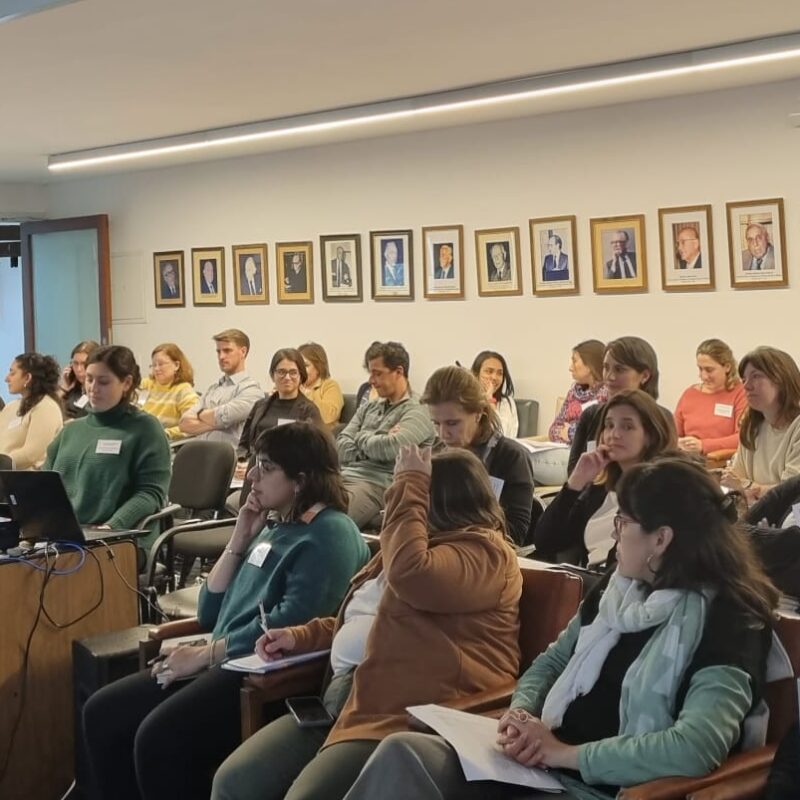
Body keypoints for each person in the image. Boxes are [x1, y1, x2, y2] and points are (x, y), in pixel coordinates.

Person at [346, 457, 777, 800]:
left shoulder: (732, 619)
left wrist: (567, 755)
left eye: (623, 522)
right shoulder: (618, 589)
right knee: (404, 753)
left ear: (661, 539)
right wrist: (523, 712)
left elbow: (695, 747)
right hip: (540, 765)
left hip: (602, 785)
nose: (614, 532)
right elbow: (554, 659)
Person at [210, 444, 523, 800]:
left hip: (401, 715)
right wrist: (302, 637)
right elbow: (374, 618)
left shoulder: (487, 554)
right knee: (234, 782)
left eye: (408, 491)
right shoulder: (412, 545)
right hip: (344, 702)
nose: (393, 502)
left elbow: (411, 577)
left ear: (437, 500)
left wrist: (411, 481)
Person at [82, 422, 371, 800]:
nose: (251, 476)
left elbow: (288, 627)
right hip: (222, 656)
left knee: (158, 739)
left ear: (300, 481)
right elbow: (210, 609)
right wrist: (239, 537)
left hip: (259, 674)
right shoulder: (274, 525)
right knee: (102, 712)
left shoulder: (331, 534)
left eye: (266, 468)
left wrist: (204, 654)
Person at [534, 390, 676, 568]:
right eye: (609, 425)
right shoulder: (600, 489)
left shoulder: (659, 492)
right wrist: (575, 483)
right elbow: (545, 542)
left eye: (627, 427)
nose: (614, 434)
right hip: (590, 583)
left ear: (650, 436)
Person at [43, 346, 170, 541]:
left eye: (103, 382)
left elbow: (150, 493)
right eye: (89, 379)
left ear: (126, 383)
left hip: (122, 539)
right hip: (65, 536)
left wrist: (112, 526)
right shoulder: (70, 431)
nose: (93, 388)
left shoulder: (145, 429)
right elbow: (44, 484)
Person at [422, 366, 534, 545]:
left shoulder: (511, 457)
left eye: (452, 423)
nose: (443, 434)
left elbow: (515, 534)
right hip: (437, 551)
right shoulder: (434, 454)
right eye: (436, 423)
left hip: (484, 555)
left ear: (478, 414)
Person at [337, 341, 435, 527]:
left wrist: (361, 436)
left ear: (399, 372)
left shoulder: (420, 409)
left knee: (330, 521)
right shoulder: (370, 406)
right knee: (294, 503)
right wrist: (377, 438)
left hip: (377, 484)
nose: (371, 381)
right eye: (370, 373)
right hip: (343, 476)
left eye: (378, 373)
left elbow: (390, 448)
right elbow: (341, 444)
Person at [568, 336, 673, 474]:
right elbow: (573, 472)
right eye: (606, 368)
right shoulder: (592, 414)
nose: (610, 377)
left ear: (645, 376)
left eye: (619, 370)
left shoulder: (661, 418)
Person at [236, 349, 322, 500]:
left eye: (293, 372)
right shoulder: (260, 406)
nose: (287, 377)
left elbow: (315, 453)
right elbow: (244, 443)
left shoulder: (309, 411)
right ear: (272, 375)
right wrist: (242, 462)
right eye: (281, 372)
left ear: (301, 375)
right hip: (256, 471)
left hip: (287, 479)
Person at [722, 346, 800, 504]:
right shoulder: (752, 426)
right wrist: (751, 488)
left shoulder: (797, 427)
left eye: (756, 376)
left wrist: (746, 485)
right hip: (756, 515)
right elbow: (734, 478)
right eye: (744, 379)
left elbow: (790, 493)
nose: (746, 386)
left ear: (781, 379)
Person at [532, 340, 607, 486]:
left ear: (590, 365)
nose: (570, 367)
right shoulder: (574, 392)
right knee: (518, 462)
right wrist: (570, 434)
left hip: (581, 459)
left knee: (518, 460)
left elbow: (595, 435)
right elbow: (554, 429)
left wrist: (571, 432)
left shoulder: (607, 394)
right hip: (560, 450)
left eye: (574, 361)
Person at [179, 329, 263, 446]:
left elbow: (222, 418)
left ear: (243, 352)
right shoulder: (213, 388)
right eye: (218, 352)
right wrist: (216, 423)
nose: (221, 356)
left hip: (230, 460)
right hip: (202, 456)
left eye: (227, 351)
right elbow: (184, 424)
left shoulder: (252, 390)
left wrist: (199, 414)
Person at [675, 339, 747, 456]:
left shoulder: (741, 393)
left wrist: (703, 445)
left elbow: (743, 438)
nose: (703, 376)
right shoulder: (690, 394)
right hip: (688, 459)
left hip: (720, 462)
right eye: (700, 369)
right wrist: (679, 443)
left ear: (727, 367)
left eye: (709, 370)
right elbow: (673, 433)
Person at [0, 353, 63, 469]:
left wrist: (4, 463)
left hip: (27, 480)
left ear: (28, 378)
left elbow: (31, 455)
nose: (6, 378)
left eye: (12, 373)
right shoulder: (10, 407)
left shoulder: (47, 407)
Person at [139, 343, 200, 441]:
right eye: (153, 365)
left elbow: (193, 425)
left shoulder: (184, 390)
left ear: (176, 365)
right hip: (141, 437)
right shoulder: (146, 384)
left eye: (161, 364)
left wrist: (166, 434)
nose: (156, 369)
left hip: (164, 442)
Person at [471, 350, 518, 437]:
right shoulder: (466, 401)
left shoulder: (507, 403)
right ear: (476, 374)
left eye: (499, 373)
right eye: (489, 371)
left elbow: (502, 436)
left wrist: (490, 401)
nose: (494, 377)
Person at [299, 342, 344, 426]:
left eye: (306, 365)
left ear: (318, 367)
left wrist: (308, 396)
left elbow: (329, 416)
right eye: (298, 365)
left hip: (319, 435)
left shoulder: (330, 385)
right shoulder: (294, 385)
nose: (300, 370)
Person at [58, 339, 100, 420]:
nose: (79, 369)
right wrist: (65, 387)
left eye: (83, 364)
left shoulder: (100, 390)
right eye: (75, 363)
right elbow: (52, 408)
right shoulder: (72, 388)